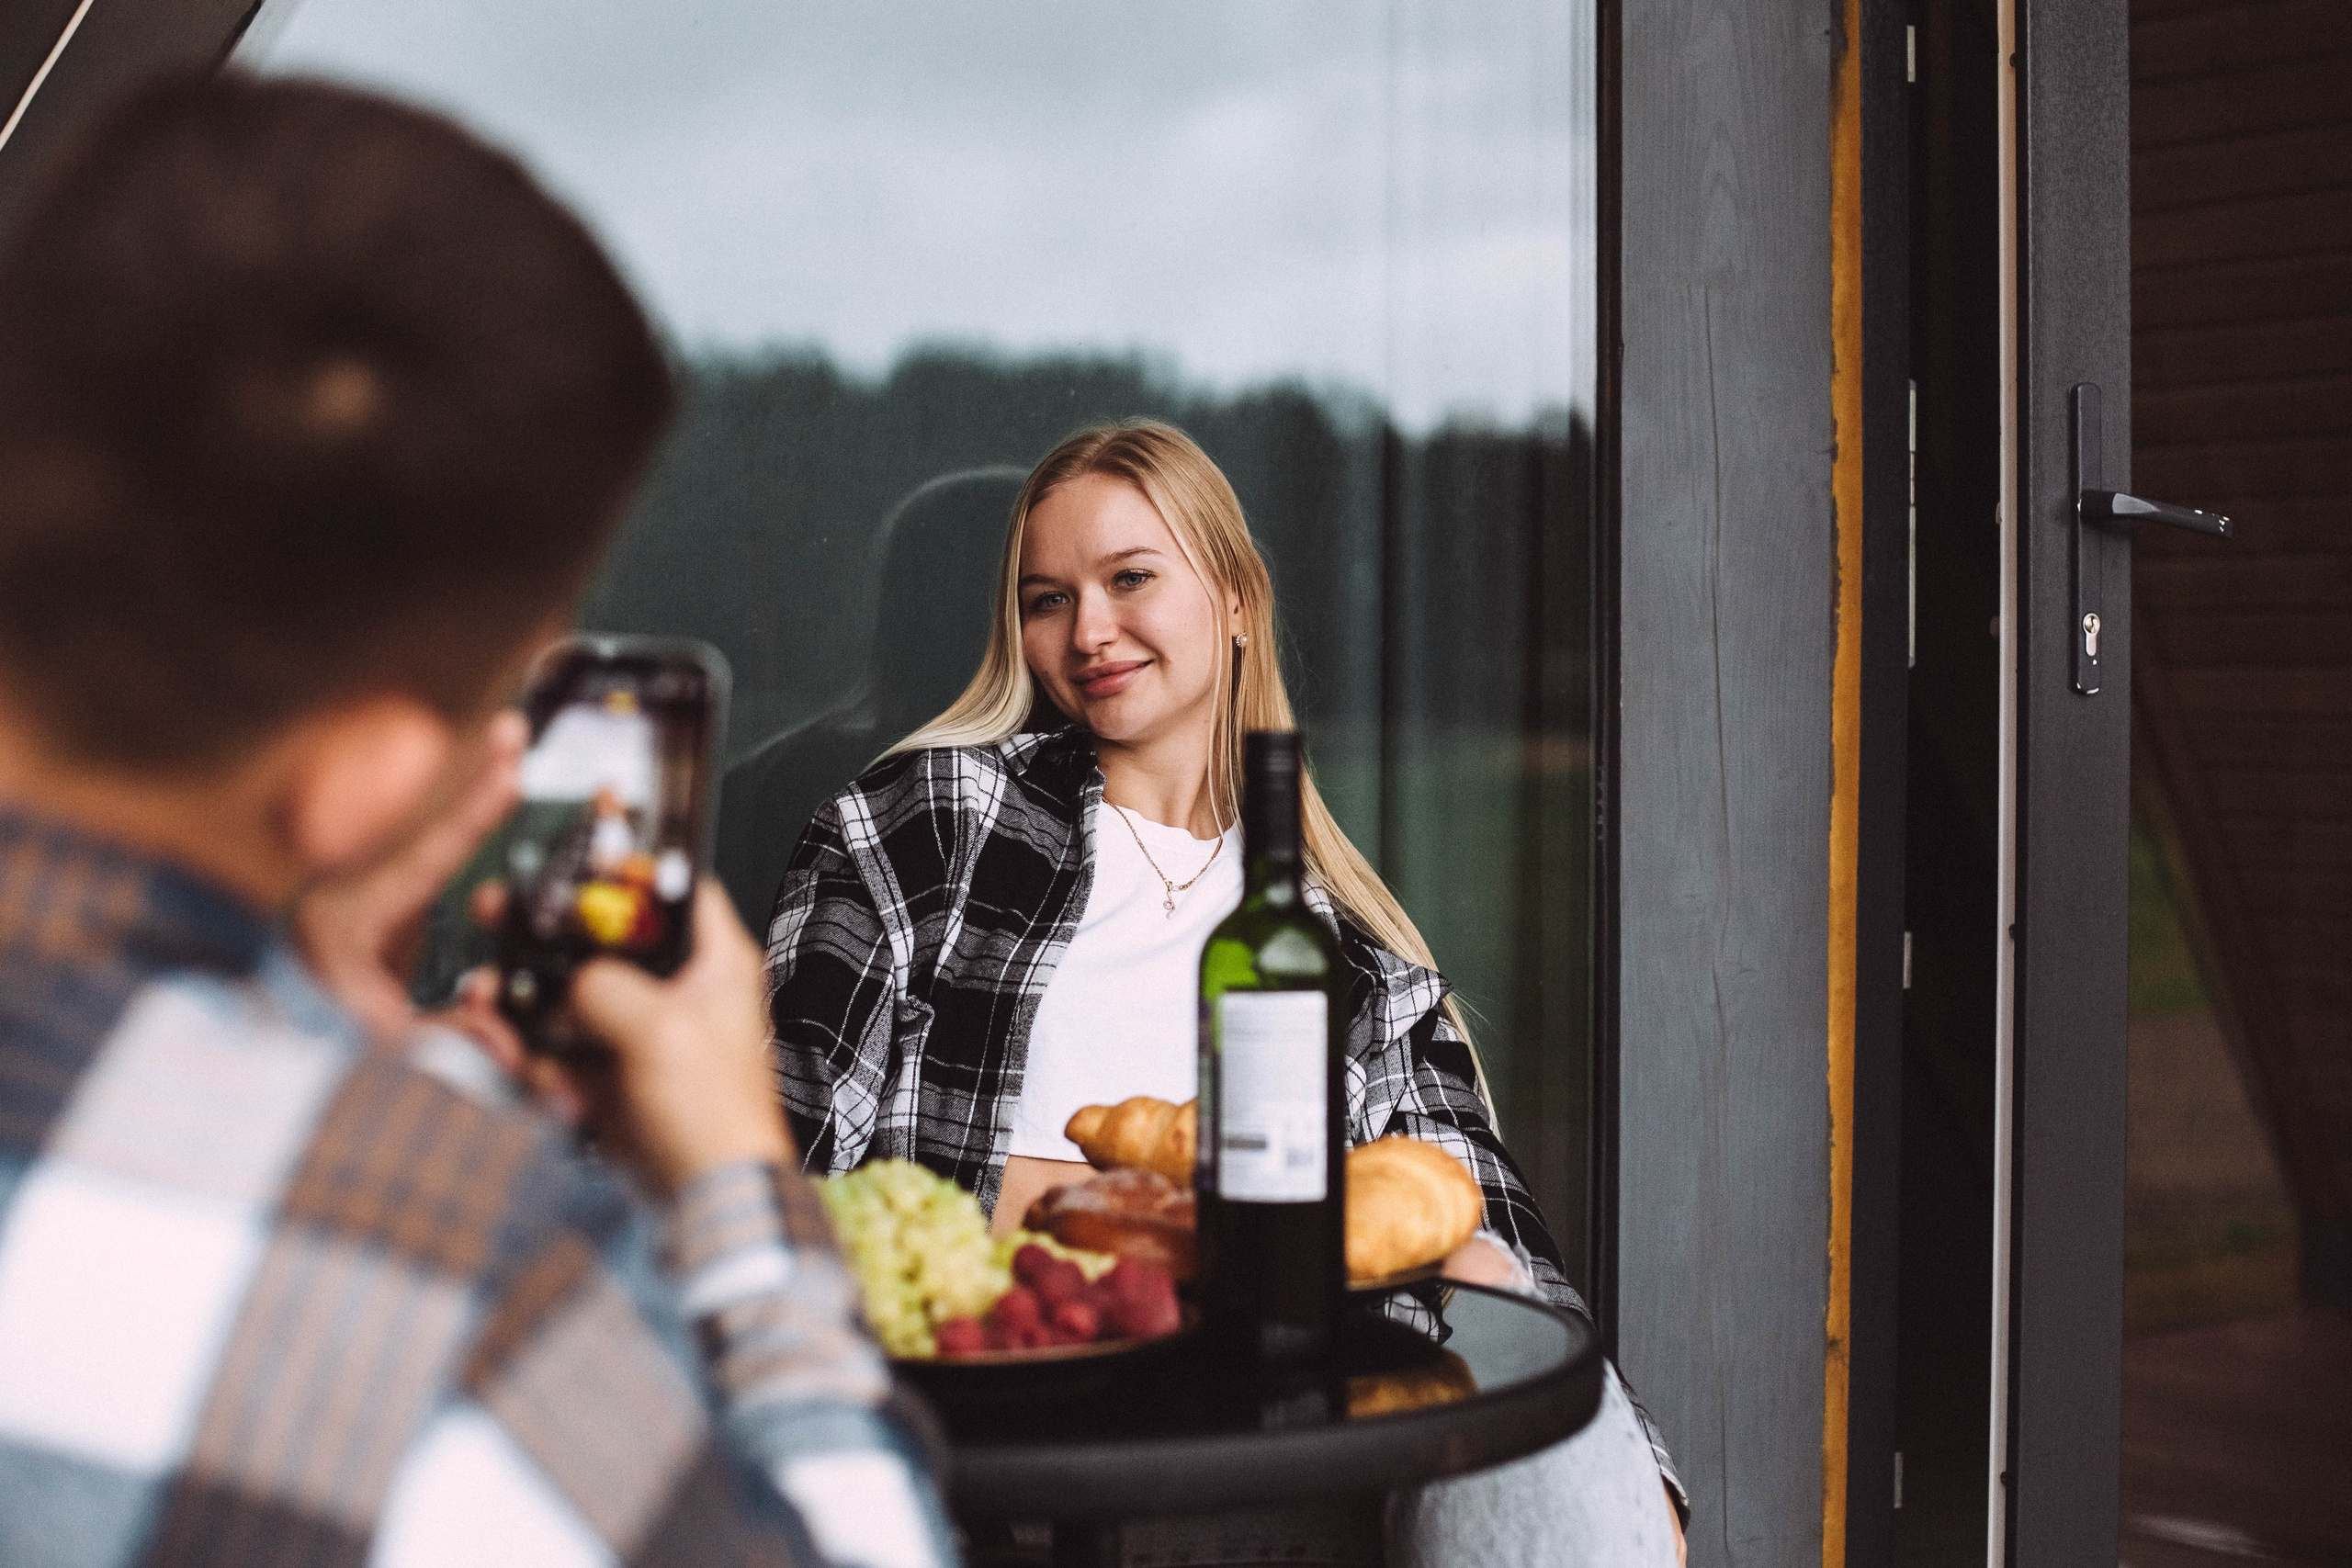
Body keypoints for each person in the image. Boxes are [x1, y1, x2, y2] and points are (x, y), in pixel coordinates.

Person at [0, 73, 949, 1568]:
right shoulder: (433, 1264)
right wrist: (729, 1176)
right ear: (365, 774)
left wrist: (287, 1037)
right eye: (501, 687)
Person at [763, 419, 1686, 1563]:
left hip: (1288, 1477)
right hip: (996, 1457)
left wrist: (1636, 1480)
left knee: (1543, 1387)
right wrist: (1219, 1232)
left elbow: (1504, 1280)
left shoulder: (1353, 959)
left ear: (1237, 599)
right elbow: (785, 1171)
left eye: (1130, 578)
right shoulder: (923, 825)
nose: (1089, 631)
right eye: (1047, 599)